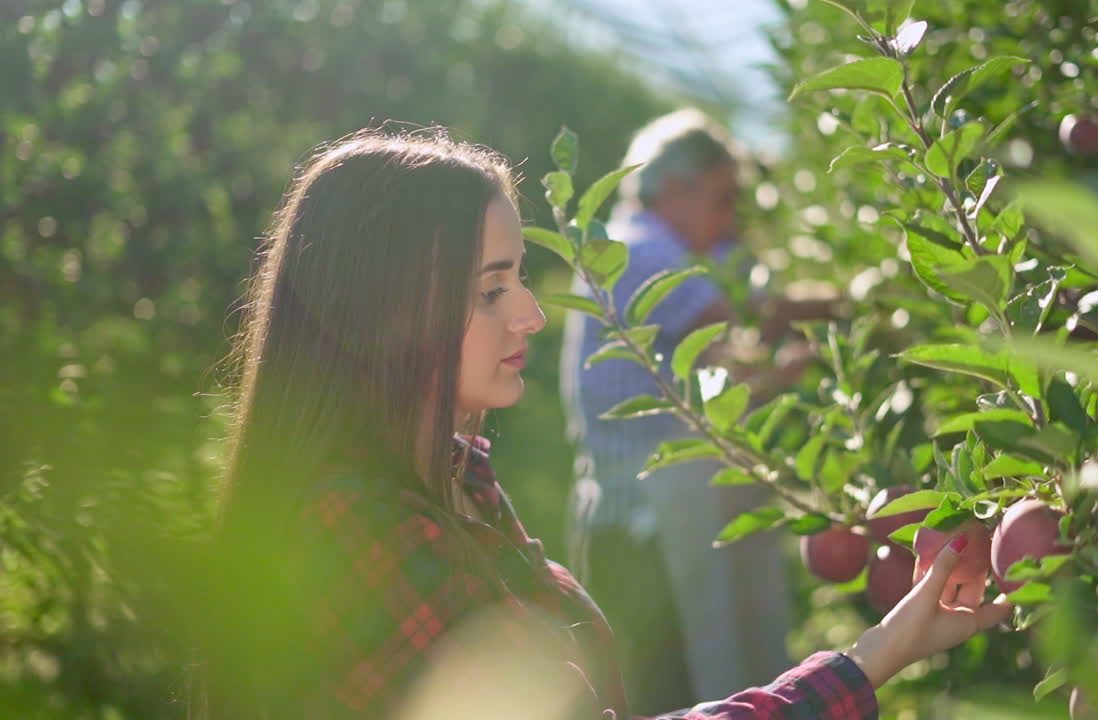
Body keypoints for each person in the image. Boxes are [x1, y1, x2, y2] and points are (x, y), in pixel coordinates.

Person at [200, 126, 1010, 720]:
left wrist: (886, 648)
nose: (530, 315)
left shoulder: (460, 487)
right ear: (389, 311)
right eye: (491, 290)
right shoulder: (366, 536)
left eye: (519, 279)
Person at [559, 109, 828, 713]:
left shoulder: (638, 248)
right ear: (675, 189)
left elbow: (712, 368)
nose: (730, 218)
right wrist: (861, 307)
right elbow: (754, 318)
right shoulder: (646, 250)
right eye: (724, 198)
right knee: (680, 693)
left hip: (624, 525)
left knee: (660, 690)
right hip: (649, 534)